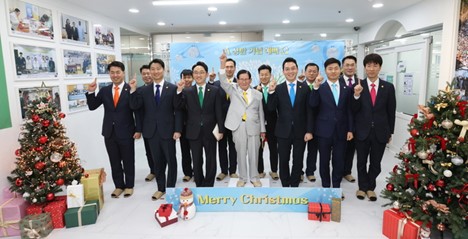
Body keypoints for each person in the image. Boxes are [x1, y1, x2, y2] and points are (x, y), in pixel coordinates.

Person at [86, 61, 141, 198]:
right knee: (114, 160)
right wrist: (91, 92)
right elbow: (92, 106)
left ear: (123, 73)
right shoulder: (104, 90)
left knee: (128, 160)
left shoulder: (130, 88)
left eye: (118, 72)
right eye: (112, 72)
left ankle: (129, 185)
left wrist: (138, 129)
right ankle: (118, 186)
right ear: (109, 74)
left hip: (127, 131)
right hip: (109, 132)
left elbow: (136, 109)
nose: (115, 75)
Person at [129, 59, 182, 201]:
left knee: (171, 160)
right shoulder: (143, 90)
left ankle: (170, 188)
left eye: (158, 68)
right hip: (151, 132)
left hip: (168, 131)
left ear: (163, 70)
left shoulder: (172, 88)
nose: (155, 71)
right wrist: (133, 90)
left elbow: (178, 110)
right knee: (157, 161)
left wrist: (177, 129)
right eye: (153, 69)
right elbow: (135, 107)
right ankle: (160, 188)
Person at [352, 53, 396, 201]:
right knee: (361, 162)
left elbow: (391, 111)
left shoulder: (388, 87)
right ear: (364, 68)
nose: (371, 68)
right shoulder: (358, 86)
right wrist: (356, 96)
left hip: (380, 131)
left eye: (375, 65)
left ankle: (371, 187)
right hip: (362, 131)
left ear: (380, 67)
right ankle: (362, 187)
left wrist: (390, 131)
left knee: (376, 163)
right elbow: (353, 109)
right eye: (368, 65)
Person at [219, 52, 266, 187]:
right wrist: (223, 63)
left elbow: (261, 113)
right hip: (238, 127)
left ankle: (254, 178)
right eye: (241, 79)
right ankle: (242, 178)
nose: (244, 81)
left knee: (254, 154)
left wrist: (263, 130)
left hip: (254, 128)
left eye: (246, 79)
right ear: (237, 80)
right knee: (240, 154)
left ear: (250, 80)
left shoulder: (257, 94)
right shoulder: (232, 90)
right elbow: (222, 80)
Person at [309, 58, 353, 195]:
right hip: (323, 131)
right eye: (330, 69)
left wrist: (351, 129)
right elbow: (313, 105)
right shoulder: (320, 88)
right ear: (325, 71)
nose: (333, 71)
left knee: (339, 160)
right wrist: (315, 87)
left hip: (341, 130)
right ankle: (326, 187)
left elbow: (349, 111)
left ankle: (336, 187)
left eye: (335, 68)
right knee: (324, 160)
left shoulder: (347, 88)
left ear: (340, 70)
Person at [268, 57, 313, 187]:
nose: (290, 71)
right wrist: (271, 91)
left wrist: (309, 131)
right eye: (287, 69)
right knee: (283, 160)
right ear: (283, 71)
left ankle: (294, 185)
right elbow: (271, 109)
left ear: (297, 69)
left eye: (293, 68)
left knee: (298, 160)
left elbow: (309, 111)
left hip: (301, 131)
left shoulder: (304, 88)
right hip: (283, 131)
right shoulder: (278, 88)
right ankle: (285, 184)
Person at [179, 61, 225, 187]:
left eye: (201, 72)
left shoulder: (214, 90)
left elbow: (219, 112)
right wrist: (179, 91)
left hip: (210, 131)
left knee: (211, 159)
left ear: (206, 74)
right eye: (196, 72)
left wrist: (221, 130)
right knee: (197, 160)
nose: (198, 75)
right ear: (193, 75)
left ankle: (209, 184)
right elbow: (179, 107)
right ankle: (199, 184)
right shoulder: (187, 91)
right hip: (193, 131)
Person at [208, 59, 238, 181]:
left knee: (233, 146)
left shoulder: (240, 83)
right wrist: (210, 80)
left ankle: (233, 171)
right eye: (227, 67)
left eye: (231, 67)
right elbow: (208, 94)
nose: (229, 69)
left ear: (235, 68)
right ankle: (223, 171)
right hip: (220, 121)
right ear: (224, 69)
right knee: (221, 147)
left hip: (235, 121)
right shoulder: (215, 84)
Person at [255, 64, 279, 180]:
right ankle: (260, 171)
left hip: (273, 124)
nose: (264, 77)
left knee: (274, 148)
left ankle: (274, 171)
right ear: (258, 76)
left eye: (266, 74)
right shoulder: (253, 89)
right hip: (258, 125)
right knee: (259, 149)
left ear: (270, 75)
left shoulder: (277, 89)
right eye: (262, 75)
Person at [339, 55, 360, 183]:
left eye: (352, 65)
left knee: (351, 148)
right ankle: (337, 171)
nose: (350, 67)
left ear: (356, 66)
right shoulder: (337, 81)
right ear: (342, 67)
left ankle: (347, 171)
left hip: (355, 122)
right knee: (338, 149)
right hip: (339, 121)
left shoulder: (360, 82)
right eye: (347, 65)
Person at [303, 63, 321, 183]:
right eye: (309, 71)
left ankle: (310, 171)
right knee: (299, 150)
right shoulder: (299, 86)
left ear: (318, 73)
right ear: (305, 72)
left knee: (313, 150)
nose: (311, 73)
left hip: (317, 123)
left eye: (314, 71)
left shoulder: (321, 87)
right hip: (301, 123)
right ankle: (298, 171)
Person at [137, 65, 155, 182]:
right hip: (147, 126)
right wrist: (138, 129)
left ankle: (162, 170)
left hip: (162, 126)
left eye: (149, 73)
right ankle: (153, 171)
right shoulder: (139, 91)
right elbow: (137, 112)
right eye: (144, 74)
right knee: (149, 151)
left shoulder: (163, 88)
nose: (147, 76)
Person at [179, 69, 194, 182]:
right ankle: (187, 172)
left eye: (189, 77)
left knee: (196, 151)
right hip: (183, 127)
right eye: (185, 77)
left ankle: (197, 171)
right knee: (185, 151)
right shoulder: (178, 91)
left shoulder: (196, 90)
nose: (187, 80)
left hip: (195, 126)